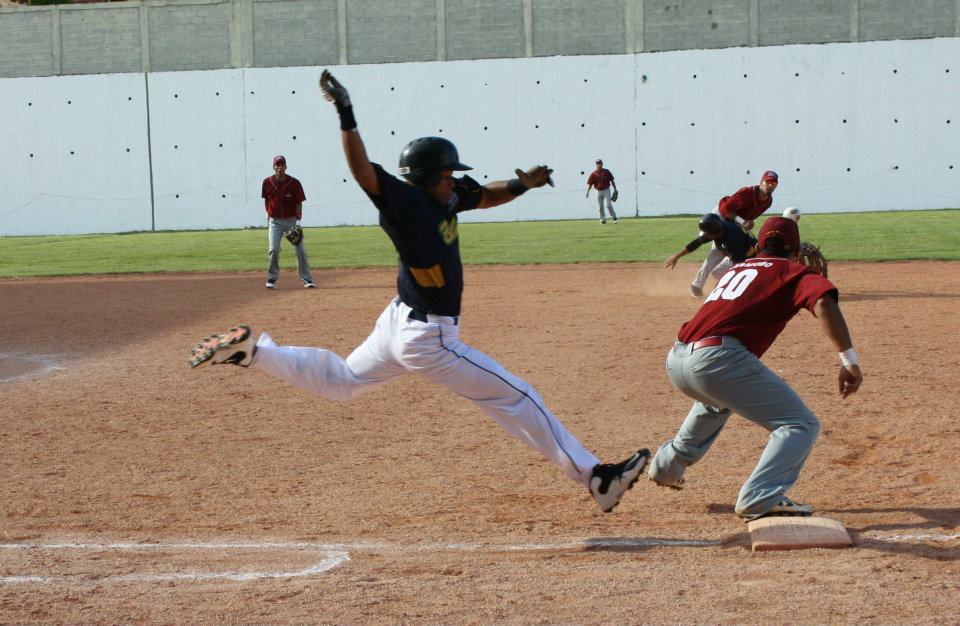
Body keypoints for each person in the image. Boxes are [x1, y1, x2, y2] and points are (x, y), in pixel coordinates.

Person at [189, 69, 649, 514]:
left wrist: (522, 184)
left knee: (344, 380)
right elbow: (363, 170)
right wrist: (346, 112)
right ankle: (597, 478)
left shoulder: (444, 196)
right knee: (518, 397)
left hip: (398, 322)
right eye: (448, 174)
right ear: (429, 177)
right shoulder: (407, 205)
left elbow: (485, 195)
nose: (455, 181)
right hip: (430, 339)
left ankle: (254, 352)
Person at [647, 216, 863, 521]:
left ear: (759, 245)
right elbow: (825, 304)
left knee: (717, 403)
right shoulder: (792, 270)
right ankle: (760, 497)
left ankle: (667, 466)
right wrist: (849, 362)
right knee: (799, 425)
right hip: (716, 361)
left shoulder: (737, 268)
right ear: (795, 248)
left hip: (678, 358)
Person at [690, 170, 778, 297]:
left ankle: (725, 273)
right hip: (720, 217)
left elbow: (749, 216)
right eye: (768, 181)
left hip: (735, 222)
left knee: (738, 245)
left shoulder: (768, 201)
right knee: (717, 250)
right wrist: (742, 222)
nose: (771, 185)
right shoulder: (747, 192)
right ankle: (697, 285)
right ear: (761, 182)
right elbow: (726, 209)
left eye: (774, 183)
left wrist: (745, 224)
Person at [262, 155, 315, 289]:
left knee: (300, 250)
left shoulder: (294, 183)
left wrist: (298, 220)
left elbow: (298, 201)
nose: (279, 167)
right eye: (277, 165)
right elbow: (267, 199)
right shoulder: (267, 182)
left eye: (282, 165)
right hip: (275, 223)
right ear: (273, 167)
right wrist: (267, 213)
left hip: (291, 222)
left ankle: (307, 279)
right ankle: (272, 278)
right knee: (273, 249)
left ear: (286, 167)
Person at [664, 213, 757, 287]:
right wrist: (677, 256)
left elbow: (739, 265)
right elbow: (696, 243)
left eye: (707, 234)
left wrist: (719, 288)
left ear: (715, 233)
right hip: (739, 255)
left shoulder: (732, 239)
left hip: (752, 259)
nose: (705, 236)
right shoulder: (720, 227)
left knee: (741, 275)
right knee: (716, 273)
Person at [585, 159, 618, 224]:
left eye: (600, 163)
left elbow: (612, 181)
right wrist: (587, 191)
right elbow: (590, 184)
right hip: (598, 191)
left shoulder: (606, 171)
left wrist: (615, 189)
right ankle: (603, 219)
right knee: (600, 206)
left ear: (602, 164)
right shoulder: (593, 174)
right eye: (597, 164)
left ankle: (614, 217)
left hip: (606, 190)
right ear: (595, 165)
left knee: (609, 205)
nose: (599, 165)